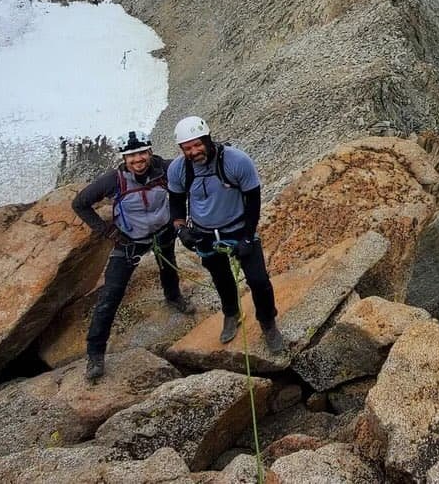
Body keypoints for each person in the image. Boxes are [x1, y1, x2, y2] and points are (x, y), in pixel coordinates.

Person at [72, 129, 193, 382]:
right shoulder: (113, 180)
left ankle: (173, 297)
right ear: (124, 159)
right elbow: (80, 203)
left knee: (168, 267)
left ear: (150, 152)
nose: (138, 160)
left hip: (163, 231)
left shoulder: (165, 169)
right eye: (131, 156)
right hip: (129, 241)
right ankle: (95, 354)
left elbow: (193, 166)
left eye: (142, 153)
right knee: (111, 294)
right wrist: (108, 231)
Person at [167, 115, 284, 353]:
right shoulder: (178, 169)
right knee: (220, 277)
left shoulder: (236, 161)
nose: (194, 151)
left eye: (198, 144)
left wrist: (248, 236)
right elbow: (176, 202)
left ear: (208, 139)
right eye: (187, 148)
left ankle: (268, 323)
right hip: (204, 233)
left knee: (258, 280)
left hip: (238, 228)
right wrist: (181, 229)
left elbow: (253, 200)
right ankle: (232, 313)